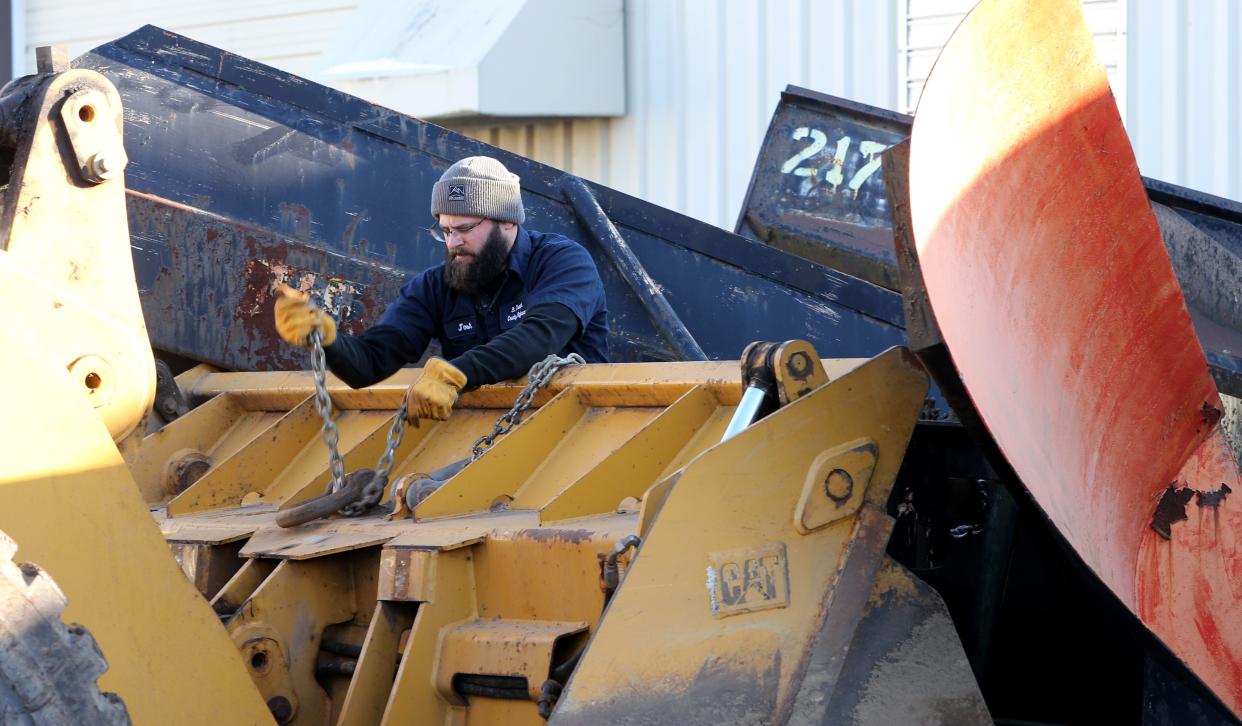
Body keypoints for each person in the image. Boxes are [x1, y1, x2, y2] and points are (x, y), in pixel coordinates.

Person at [274, 155, 609, 422]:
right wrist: (328, 340)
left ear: (508, 221)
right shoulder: (434, 286)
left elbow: (541, 336)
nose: (453, 242)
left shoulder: (562, 261)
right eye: (445, 230)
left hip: (572, 424)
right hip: (480, 431)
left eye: (464, 228)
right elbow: (371, 362)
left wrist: (457, 372)